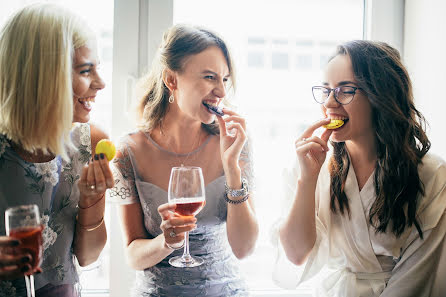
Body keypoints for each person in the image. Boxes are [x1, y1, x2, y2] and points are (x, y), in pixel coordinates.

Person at [273, 40, 446, 296]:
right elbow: (296, 254)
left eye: (345, 90)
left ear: (380, 96)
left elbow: (419, 273)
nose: (330, 103)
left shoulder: (431, 174)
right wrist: (307, 180)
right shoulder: (312, 164)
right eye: (326, 90)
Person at [111, 24, 258, 296]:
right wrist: (166, 242)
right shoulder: (129, 152)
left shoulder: (235, 144)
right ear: (172, 79)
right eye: (209, 77)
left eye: (224, 79)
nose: (221, 92)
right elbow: (132, 254)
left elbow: (244, 248)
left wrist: (232, 168)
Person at [0, 3, 114, 296]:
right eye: (86, 71)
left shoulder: (90, 144)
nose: (100, 83)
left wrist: (91, 198)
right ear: (44, 76)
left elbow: (88, 257)